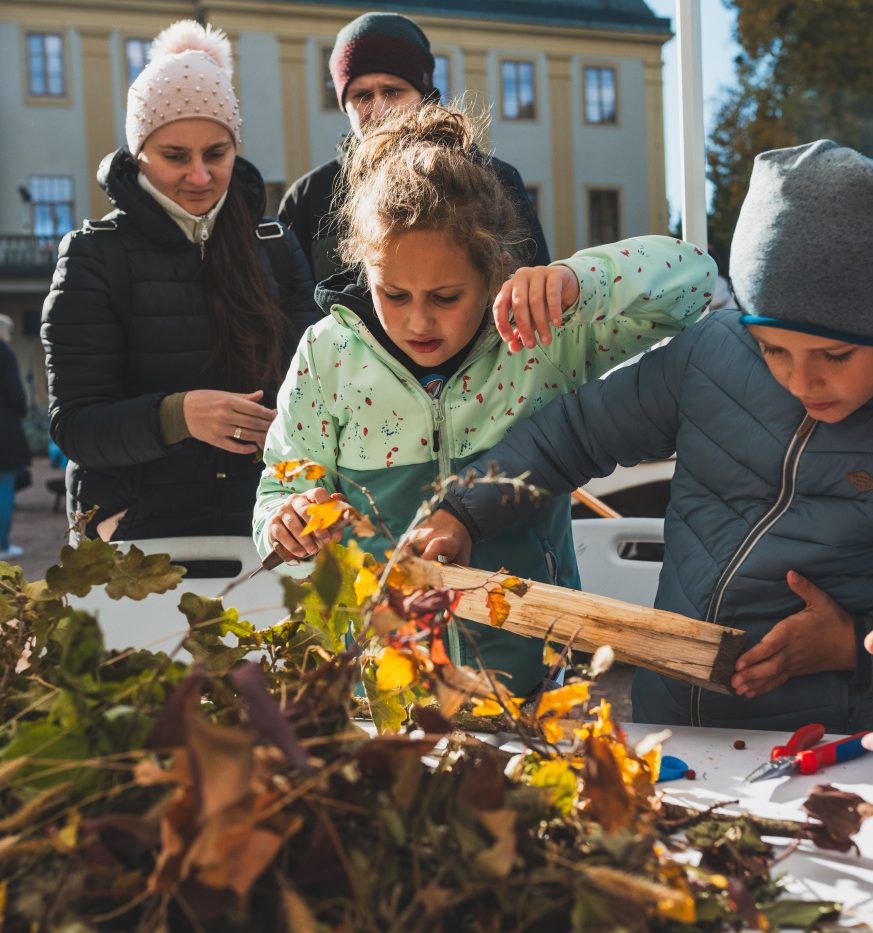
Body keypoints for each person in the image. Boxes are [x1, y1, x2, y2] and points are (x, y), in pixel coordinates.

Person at [407, 139, 873, 733]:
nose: (802, 380)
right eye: (773, 350)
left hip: (833, 743)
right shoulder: (711, 354)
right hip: (671, 722)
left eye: (835, 355)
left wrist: (851, 645)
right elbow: (571, 435)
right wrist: (462, 513)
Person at [253, 102, 716, 696]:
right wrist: (283, 522)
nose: (418, 321)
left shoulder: (544, 338)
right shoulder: (328, 354)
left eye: (445, 296)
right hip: (377, 682)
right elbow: (280, 485)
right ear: (365, 270)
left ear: (495, 271)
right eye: (393, 293)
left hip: (529, 676)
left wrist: (580, 280)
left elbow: (694, 280)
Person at [41, 21, 318, 543]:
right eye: (175, 156)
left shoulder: (276, 245)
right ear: (138, 151)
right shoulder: (93, 254)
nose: (199, 176)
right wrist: (178, 415)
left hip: (262, 531)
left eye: (216, 154)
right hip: (137, 538)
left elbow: (319, 395)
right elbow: (75, 425)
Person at [278, 10, 551, 287]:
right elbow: (292, 312)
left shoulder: (496, 181)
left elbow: (534, 293)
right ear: (344, 105)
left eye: (393, 91)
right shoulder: (307, 198)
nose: (379, 110)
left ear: (425, 95)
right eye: (362, 95)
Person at [0, 316, 30, 561]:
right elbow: (15, 394)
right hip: (4, 432)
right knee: (4, 490)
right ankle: (2, 545)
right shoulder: (5, 354)